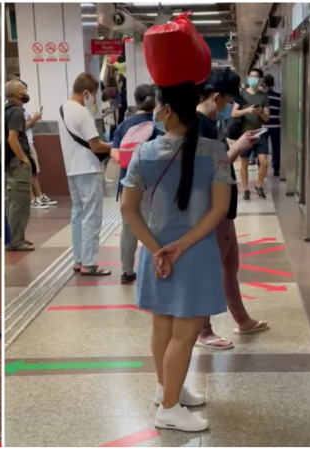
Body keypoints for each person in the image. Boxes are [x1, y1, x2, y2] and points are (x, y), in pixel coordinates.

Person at [119, 82, 232, 432]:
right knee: (184, 333)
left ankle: (167, 387)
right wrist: (182, 246)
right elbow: (219, 210)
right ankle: (169, 407)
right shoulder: (215, 151)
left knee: (162, 327)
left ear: (167, 111)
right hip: (195, 254)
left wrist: (155, 249)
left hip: (156, 253)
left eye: (158, 106)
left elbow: (128, 209)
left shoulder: (143, 153)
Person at [195, 68, 269, 350]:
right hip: (212, 206)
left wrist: (232, 143)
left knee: (229, 264)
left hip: (224, 204)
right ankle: (203, 329)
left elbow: (214, 153)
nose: (230, 107)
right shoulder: (199, 123)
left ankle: (242, 318)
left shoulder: (209, 121)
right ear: (215, 97)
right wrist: (237, 148)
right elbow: (210, 167)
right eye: (228, 101)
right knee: (212, 268)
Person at [58, 73, 112, 276]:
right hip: (88, 170)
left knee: (78, 215)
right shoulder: (82, 112)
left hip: (71, 169)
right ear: (86, 92)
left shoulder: (63, 108)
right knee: (92, 217)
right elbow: (96, 145)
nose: (95, 100)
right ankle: (89, 264)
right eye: (95, 95)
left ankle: (79, 260)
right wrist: (116, 146)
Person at [111, 84, 162, 283]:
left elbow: (115, 153)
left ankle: (126, 270)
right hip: (154, 186)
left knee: (129, 228)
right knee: (154, 227)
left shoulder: (125, 125)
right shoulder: (160, 124)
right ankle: (156, 265)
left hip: (127, 184)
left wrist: (128, 163)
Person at [4, 79, 35, 251]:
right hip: (17, 162)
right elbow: (12, 139)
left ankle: (17, 237)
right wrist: (24, 159)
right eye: (23, 88)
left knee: (13, 201)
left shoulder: (6, 110)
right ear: (16, 94)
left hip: (10, 163)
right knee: (20, 202)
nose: (25, 90)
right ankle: (17, 240)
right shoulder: (16, 112)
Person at [232, 68, 270, 199]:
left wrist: (259, 112)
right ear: (248, 77)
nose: (253, 79)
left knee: (264, 162)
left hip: (260, 132)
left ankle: (259, 186)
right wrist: (247, 110)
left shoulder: (263, 96)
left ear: (260, 80)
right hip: (245, 133)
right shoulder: (241, 94)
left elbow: (266, 118)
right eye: (251, 76)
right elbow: (234, 113)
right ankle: (245, 189)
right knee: (244, 163)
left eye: (256, 77)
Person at [20, 81, 56, 209]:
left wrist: (34, 119)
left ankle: (39, 196)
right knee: (28, 172)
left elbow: (29, 123)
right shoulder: (14, 109)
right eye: (23, 89)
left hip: (29, 142)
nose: (25, 93)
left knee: (34, 172)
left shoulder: (23, 108)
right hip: (24, 144)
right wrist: (34, 119)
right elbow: (20, 127)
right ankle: (32, 199)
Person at [264, 74, 282, 177]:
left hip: (263, 126)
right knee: (276, 148)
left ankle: (261, 167)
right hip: (276, 125)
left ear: (264, 84)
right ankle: (276, 169)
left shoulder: (261, 96)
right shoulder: (278, 96)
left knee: (262, 148)